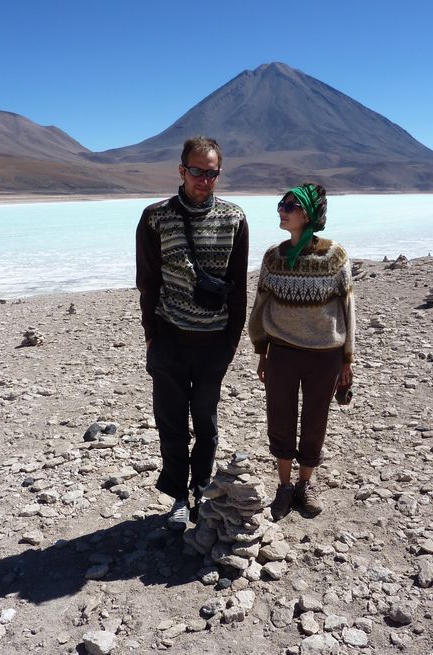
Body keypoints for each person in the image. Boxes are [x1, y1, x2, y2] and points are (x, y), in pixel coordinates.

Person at [136, 136, 249, 531]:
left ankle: (202, 486)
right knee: (170, 422)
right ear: (182, 170)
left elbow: (238, 284)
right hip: (169, 339)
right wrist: (152, 337)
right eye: (197, 171)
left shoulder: (234, 218)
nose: (205, 179)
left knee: (206, 421)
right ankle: (178, 497)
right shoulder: (156, 217)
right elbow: (147, 281)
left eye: (212, 173)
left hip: (213, 343)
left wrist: (232, 340)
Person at [248, 183, 355, 521]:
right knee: (279, 419)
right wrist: (261, 350)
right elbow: (261, 306)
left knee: (314, 422)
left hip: (325, 355)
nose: (282, 209)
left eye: (290, 205)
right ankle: (283, 487)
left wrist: (348, 359)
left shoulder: (333, 256)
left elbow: (348, 307)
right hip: (282, 352)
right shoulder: (273, 257)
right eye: (281, 203)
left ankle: (303, 485)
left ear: (307, 213)